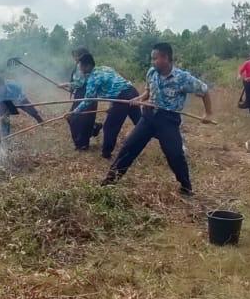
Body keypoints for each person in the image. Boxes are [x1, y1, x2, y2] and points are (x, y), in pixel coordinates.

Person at [103, 42, 214, 196]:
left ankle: (186, 188)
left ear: (165, 58)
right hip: (148, 117)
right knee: (128, 147)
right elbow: (148, 91)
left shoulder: (183, 78)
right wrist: (139, 98)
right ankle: (109, 182)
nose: (152, 62)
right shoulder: (151, 73)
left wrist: (208, 114)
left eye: (155, 58)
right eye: (152, 58)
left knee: (175, 154)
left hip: (168, 120)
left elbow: (204, 90)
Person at [71, 53, 142, 159]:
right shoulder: (105, 68)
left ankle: (106, 154)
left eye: (80, 66)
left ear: (87, 65)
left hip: (122, 99)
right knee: (141, 123)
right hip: (132, 92)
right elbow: (113, 86)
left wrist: (74, 112)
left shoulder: (93, 78)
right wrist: (112, 106)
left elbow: (88, 100)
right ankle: (160, 133)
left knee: (109, 127)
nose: (80, 68)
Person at [62, 47, 100, 151]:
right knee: (83, 119)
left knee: (77, 118)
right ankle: (92, 130)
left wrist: (66, 85)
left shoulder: (82, 66)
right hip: (83, 93)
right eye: (74, 55)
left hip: (86, 94)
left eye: (76, 55)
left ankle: (82, 144)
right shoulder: (79, 65)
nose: (74, 58)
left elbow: (79, 83)